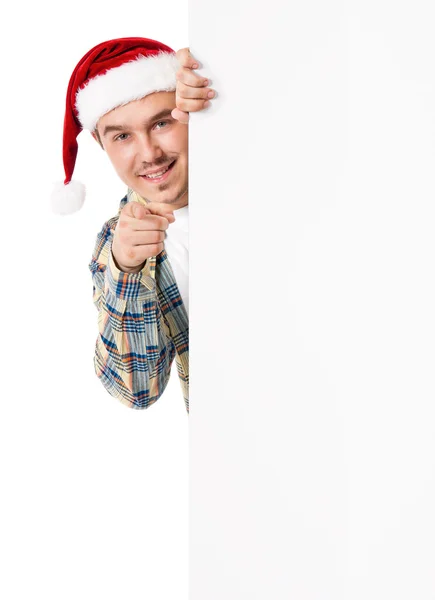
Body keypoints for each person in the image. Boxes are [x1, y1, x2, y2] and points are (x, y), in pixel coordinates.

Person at [51, 37, 216, 415]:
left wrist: (220, 77)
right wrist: (127, 271)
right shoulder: (115, 246)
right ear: (99, 142)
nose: (149, 153)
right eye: (122, 136)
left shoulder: (255, 176)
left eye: (161, 123)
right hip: (236, 451)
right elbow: (136, 391)